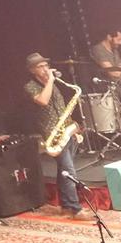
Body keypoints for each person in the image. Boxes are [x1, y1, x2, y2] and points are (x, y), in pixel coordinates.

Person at [23, 52, 84, 217]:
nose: (45, 69)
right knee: (69, 170)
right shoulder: (31, 86)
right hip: (52, 134)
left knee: (64, 169)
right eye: (40, 67)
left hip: (66, 130)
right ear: (32, 70)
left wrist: (73, 127)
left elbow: (61, 107)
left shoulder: (54, 83)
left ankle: (65, 206)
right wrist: (50, 80)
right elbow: (43, 101)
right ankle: (75, 209)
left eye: (45, 65)